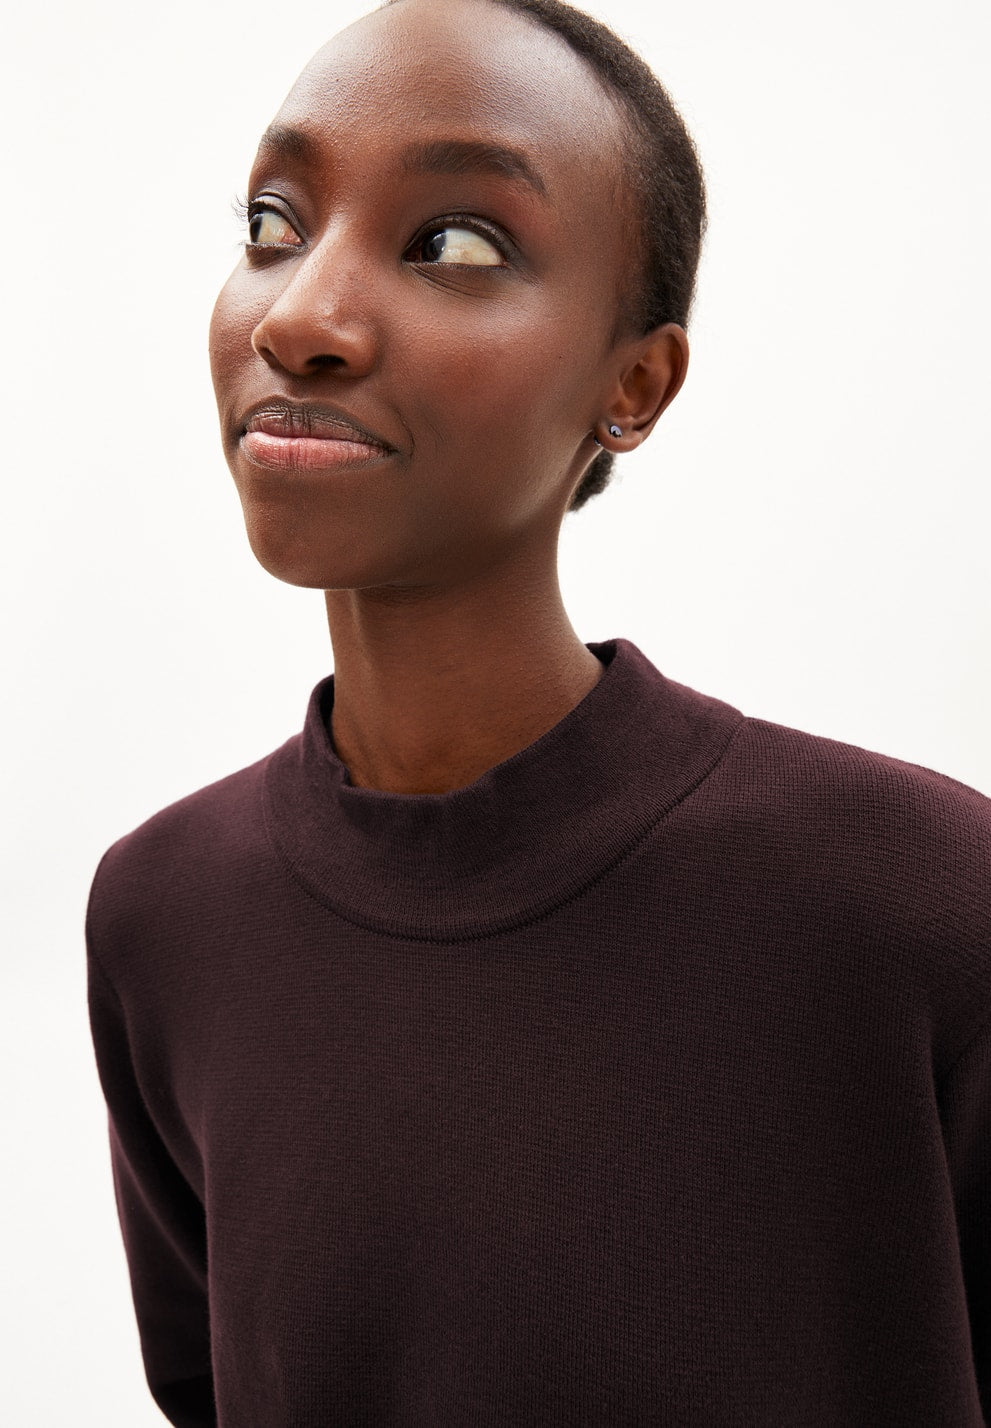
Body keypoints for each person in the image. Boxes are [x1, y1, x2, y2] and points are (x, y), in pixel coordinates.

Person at [85, 0, 990, 1423]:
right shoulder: (163, 917)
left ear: (635, 384)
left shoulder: (925, 900)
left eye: (454, 243)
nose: (299, 316)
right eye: (273, 224)